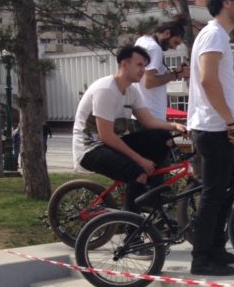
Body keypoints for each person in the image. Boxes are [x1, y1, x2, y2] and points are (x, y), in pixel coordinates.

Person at [187, 0, 234, 277]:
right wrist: (230, 121)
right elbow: (207, 79)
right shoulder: (214, 34)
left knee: (222, 193)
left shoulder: (217, 36)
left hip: (216, 127)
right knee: (213, 195)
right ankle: (202, 258)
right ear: (226, 2)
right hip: (214, 129)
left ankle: (215, 248)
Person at [72, 45, 187, 214]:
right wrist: (140, 160)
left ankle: (150, 195)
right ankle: (132, 228)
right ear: (124, 64)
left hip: (111, 143)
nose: (144, 70)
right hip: (91, 149)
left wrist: (175, 126)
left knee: (162, 137)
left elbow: (148, 121)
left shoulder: (131, 92)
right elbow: (106, 136)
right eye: (140, 65)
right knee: (138, 173)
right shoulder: (106, 90)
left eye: (145, 66)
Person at [133, 15, 191, 121]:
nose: (174, 48)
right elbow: (149, 82)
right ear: (167, 33)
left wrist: (176, 72)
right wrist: (176, 75)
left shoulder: (142, 41)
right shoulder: (155, 49)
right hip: (153, 115)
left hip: (139, 113)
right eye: (175, 42)